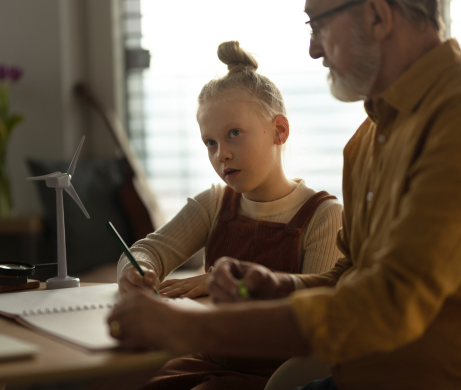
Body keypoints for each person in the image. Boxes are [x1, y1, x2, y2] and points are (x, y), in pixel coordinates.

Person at [107, 0, 461, 389]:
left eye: (318, 24)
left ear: (377, 16)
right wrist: (280, 286)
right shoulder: (368, 139)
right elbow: (351, 276)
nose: (312, 50)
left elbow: (390, 303)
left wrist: (186, 326)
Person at [114, 40, 343, 389]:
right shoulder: (214, 202)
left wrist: (231, 286)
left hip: (273, 379)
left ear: (279, 130)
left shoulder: (323, 215)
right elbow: (146, 251)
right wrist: (138, 270)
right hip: (203, 359)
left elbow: (316, 322)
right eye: (210, 142)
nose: (222, 155)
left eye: (234, 134)